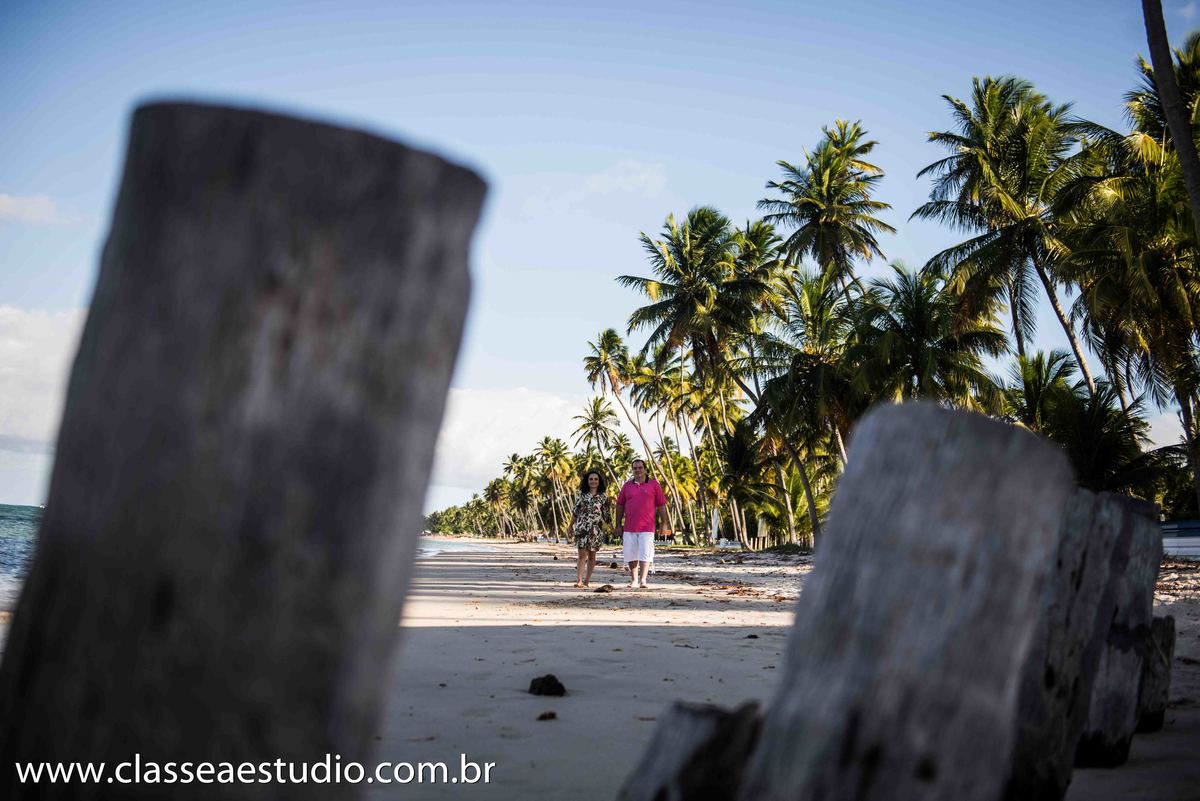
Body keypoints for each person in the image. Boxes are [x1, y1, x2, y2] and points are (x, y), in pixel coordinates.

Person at [614, 458, 668, 589]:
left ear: (645, 469)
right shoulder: (627, 486)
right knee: (630, 553)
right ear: (632, 470)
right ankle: (633, 580)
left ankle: (643, 580)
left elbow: (661, 505)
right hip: (629, 526)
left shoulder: (654, 485)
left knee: (645, 553)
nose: (638, 470)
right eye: (635, 468)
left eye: (640, 468)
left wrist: (664, 523)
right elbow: (620, 505)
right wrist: (618, 524)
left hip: (647, 527)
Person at [570, 469, 610, 588]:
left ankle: (587, 580)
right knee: (582, 555)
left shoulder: (603, 497)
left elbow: (606, 515)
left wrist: (612, 528)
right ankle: (579, 580)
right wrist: (570, 526)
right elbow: (575, 512)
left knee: (592, 556)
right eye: (591, 479)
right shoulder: (582, 495)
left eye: (596, 479)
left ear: (599, 481)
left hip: (596, 530)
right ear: (587, 481)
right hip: (582, 529)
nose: (593, 481)